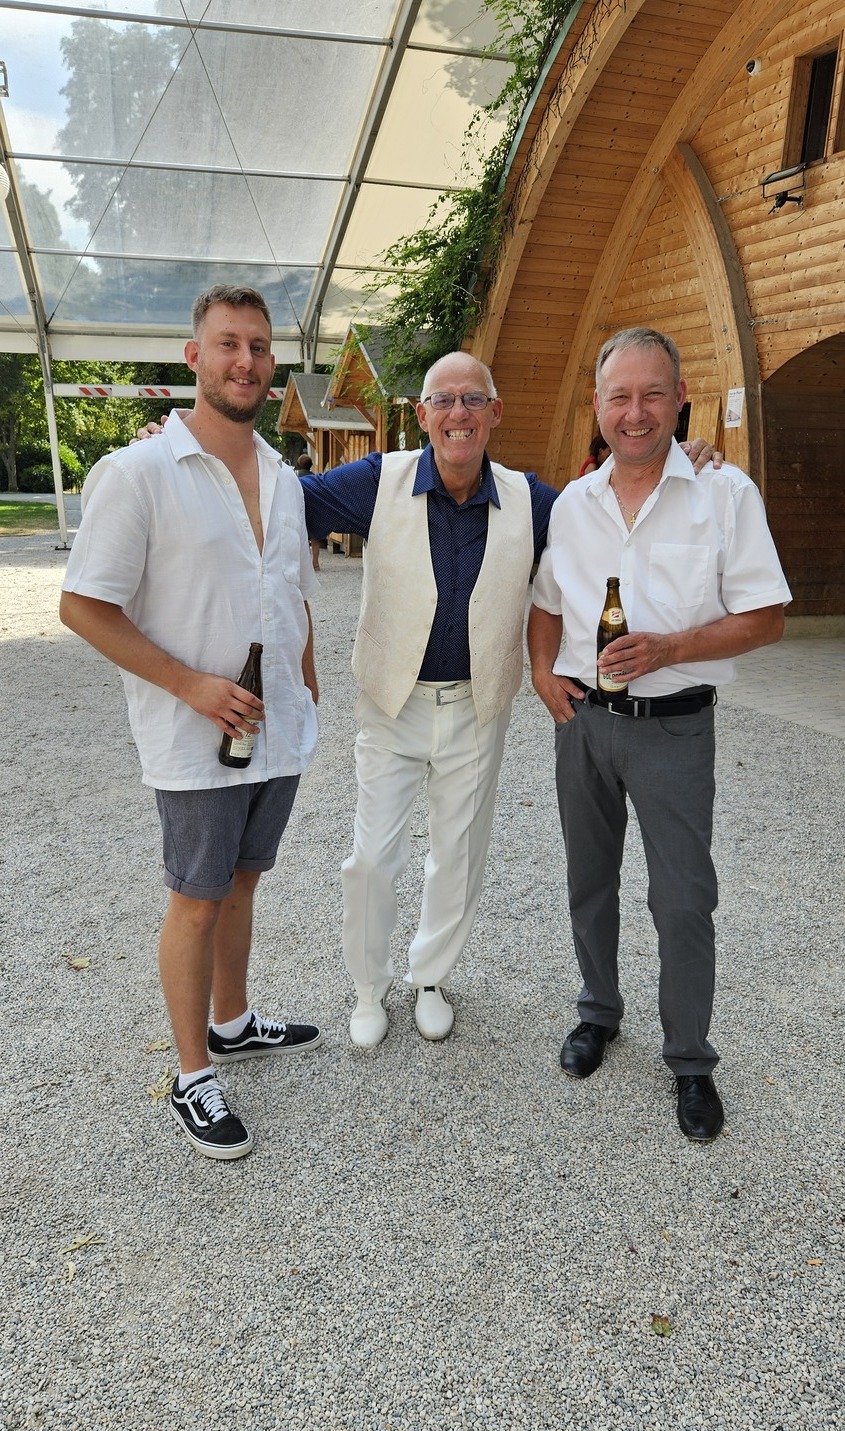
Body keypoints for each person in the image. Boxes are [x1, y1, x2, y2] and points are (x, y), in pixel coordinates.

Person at [139, 353, 719, 1053]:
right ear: (422, 415)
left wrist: (679, 457)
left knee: (459, 853)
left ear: (494, 413)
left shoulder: (535, 500)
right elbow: (270, 496)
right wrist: (184, 456)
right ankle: (367, 987)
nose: (458, 414)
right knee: (370, 858)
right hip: (393, 703)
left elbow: (609, 506)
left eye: (473, 400)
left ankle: (432, 978)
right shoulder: (376, 481)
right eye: (443, 400)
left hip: (478, 704)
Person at [60, 285, 322, 1162]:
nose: (244, 361)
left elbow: (294, 595)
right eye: (228, 344)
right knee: (196, 899)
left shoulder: (283, 477)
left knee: (243, 883)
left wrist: (308, 690)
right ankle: (190, 1074)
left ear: (272, 363)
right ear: (194, 357)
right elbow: (82, 606)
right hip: (193, 735)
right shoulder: (139, 472)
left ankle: (233, 1023)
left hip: (274, 730)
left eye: (258, 346)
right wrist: (192, 687)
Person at [527, 327, 791, 1141]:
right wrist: (541, 671)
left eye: (651, 395)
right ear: (596, 406)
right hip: (584, 725)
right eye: (619, 397)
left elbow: (766, 618)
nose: (634, 412)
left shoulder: (724, 493)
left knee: (682, 901)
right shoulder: (573, 503)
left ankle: (689, 1061)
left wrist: (670, 649)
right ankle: (597, 1013)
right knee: (588, 882)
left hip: (674, 729)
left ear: (680, 400)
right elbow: (544, 604)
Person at [296, 452, 323, 569]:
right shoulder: (315, 477)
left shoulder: (295, 477)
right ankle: (315, 563)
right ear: (310, 465)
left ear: (298, 464)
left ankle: (305, 564)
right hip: (313, 509)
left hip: (300, 509)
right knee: (315, 538)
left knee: (303, 537)